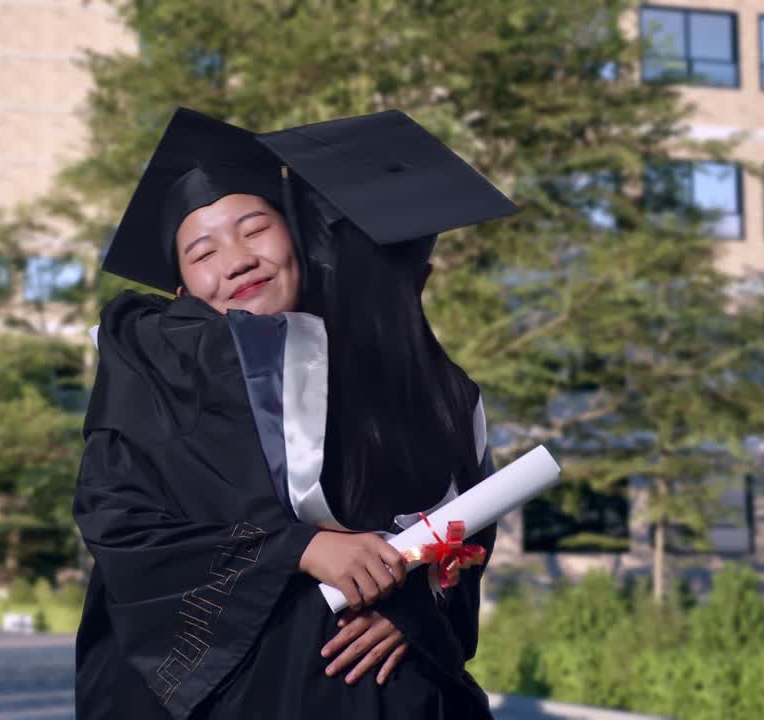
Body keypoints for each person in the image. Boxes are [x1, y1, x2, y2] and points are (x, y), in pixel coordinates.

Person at [73, 108, 515, 720]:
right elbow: (121, 525)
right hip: (244, 688)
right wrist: (299, 549)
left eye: (255, 228)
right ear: (180, 291)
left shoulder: (397, 374)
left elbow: (462, 525)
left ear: (300, 242)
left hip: (390, 689)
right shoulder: (156, 369)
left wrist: (413, 608)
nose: (236, 259)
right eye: (203, 251)